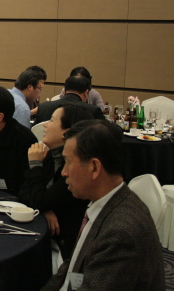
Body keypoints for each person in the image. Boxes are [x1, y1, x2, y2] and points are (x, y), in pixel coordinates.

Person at [41, 120, 165, 291]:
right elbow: (73, 266)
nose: (64, 172)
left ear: (94, 167)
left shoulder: (120, 233)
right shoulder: (106, 203)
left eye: (68, 162)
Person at [19, 104, 93, 258]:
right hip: (41, 233)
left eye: (51, 120)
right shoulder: (49, 156)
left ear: (67, 133)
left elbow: (40, 200)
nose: (45, 125)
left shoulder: (75, 168)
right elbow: (24, 192)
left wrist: (35, 165)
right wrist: (44, 209)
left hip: (63, 248)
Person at [34, 76, 105, 125]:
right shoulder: (93, 111)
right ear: (86, 93)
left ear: (64, 91)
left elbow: (35, 131)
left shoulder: (43, 107)